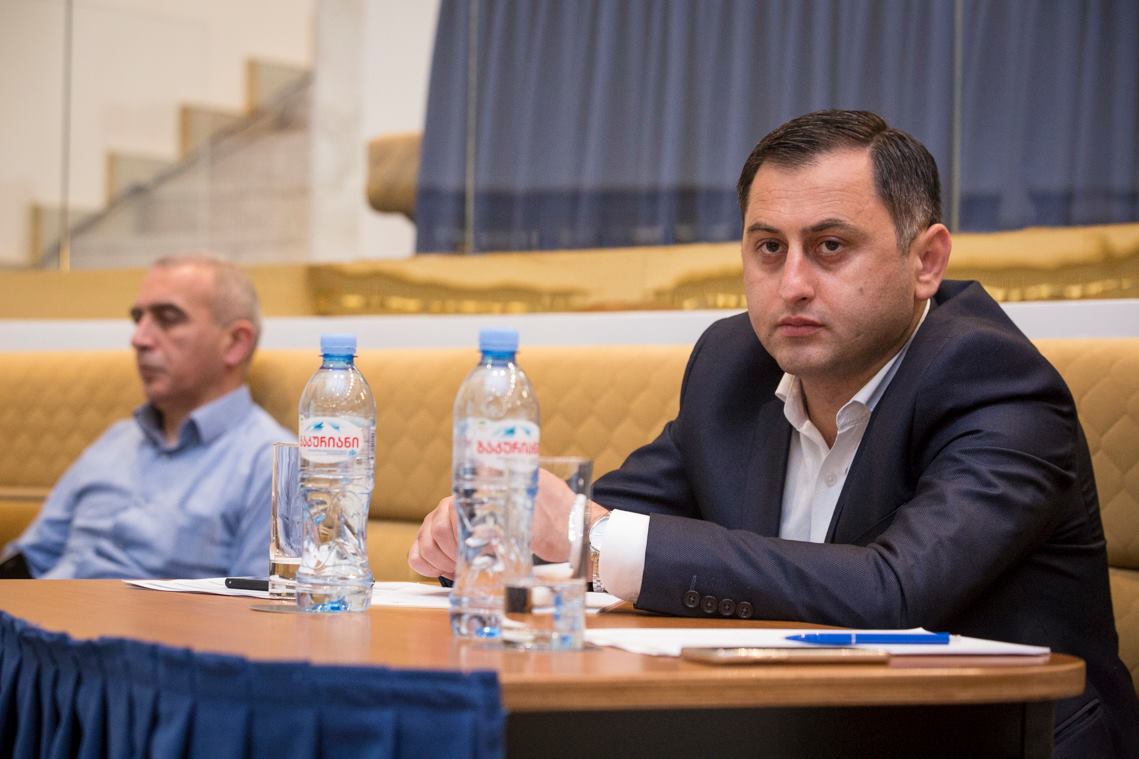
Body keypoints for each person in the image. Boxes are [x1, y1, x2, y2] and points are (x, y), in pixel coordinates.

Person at [409, 110, 1139, 756]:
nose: (791, 285)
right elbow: (607, 519)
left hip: (989, 741)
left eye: (830, 246)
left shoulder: (995, 381)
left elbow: (893, 594)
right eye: (767, 247)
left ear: (926, 262)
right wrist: (493, 532)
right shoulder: (734, 365)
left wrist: (584, 536)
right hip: (789, 730)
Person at [0, 254, 292, 579]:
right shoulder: (116, 439)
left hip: (142, 614)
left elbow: (260, 604)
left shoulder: (272, 464)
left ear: (235, 343)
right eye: (138, 319)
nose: (138, 339)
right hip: (37, 606)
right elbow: (28, 561)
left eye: (168, 319)